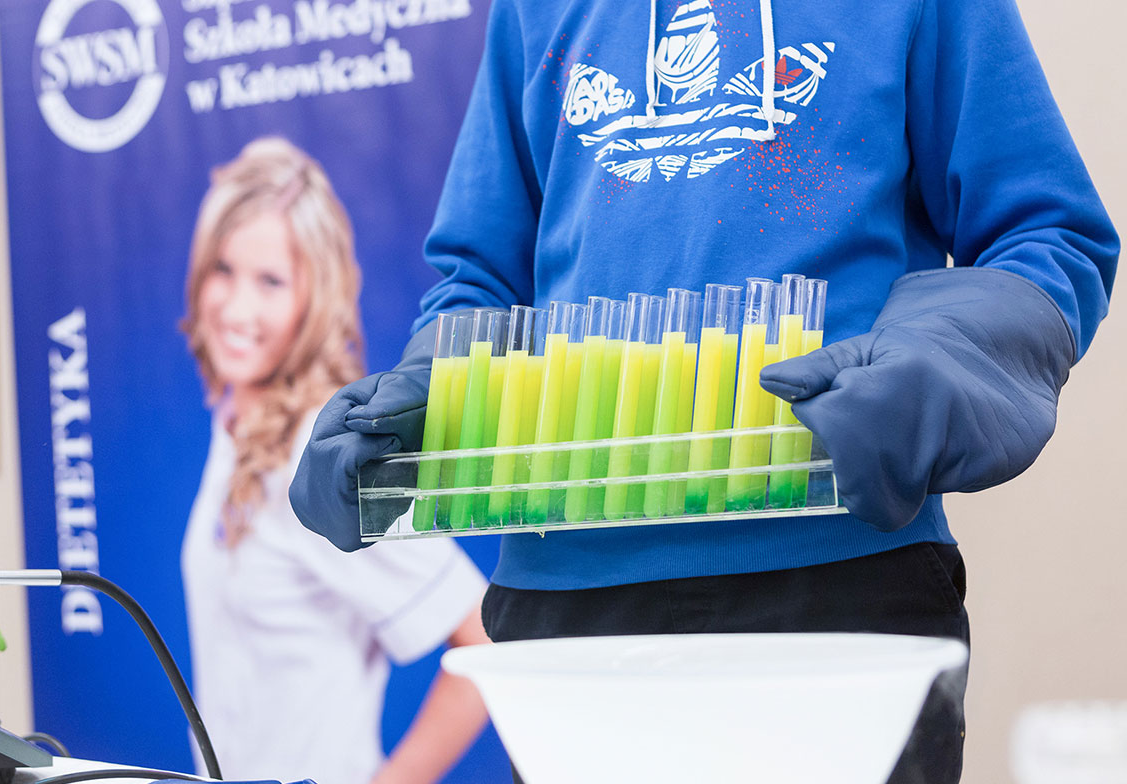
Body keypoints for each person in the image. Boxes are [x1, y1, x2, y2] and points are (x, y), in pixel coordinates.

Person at [289, 1, 1119, 782]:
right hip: (565, 615)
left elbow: (1044, 232)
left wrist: (939, 356)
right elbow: (483, 277)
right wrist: (430, 387)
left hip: (839, 591)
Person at [179, 136, 491, 784]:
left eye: (270, 281)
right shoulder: (235, 425)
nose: (236, 307)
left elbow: (482, 637)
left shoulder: (321, 454)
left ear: (313, 297)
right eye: (223, 270)